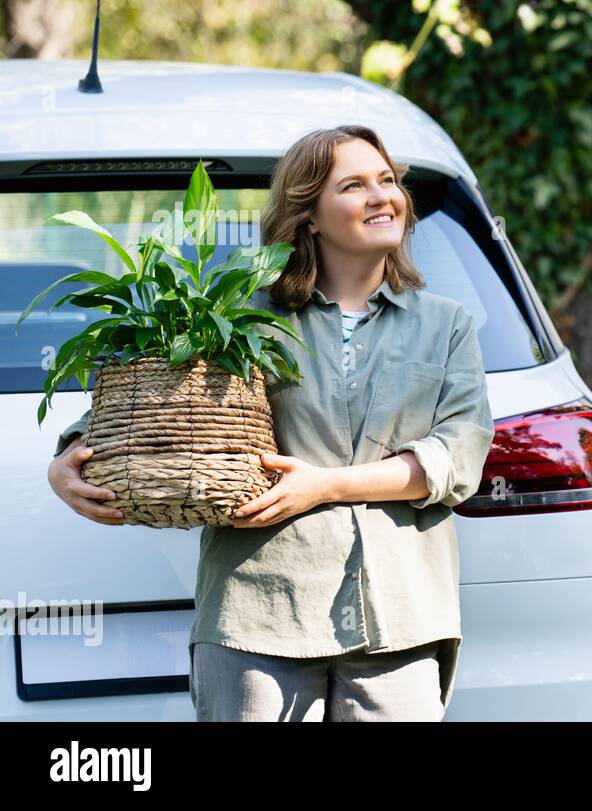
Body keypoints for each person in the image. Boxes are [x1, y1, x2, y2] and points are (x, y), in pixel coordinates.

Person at [47, 125, 496, 721]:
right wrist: (68, 458)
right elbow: (147, 403)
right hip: (257, 611)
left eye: (387, 181)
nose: (381, 196)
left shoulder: (448, 324)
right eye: (354, 185)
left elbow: (457, 457)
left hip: (401, 619)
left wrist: (324, 485)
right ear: (308, 214)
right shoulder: (242, 315)